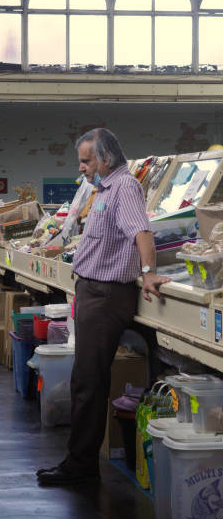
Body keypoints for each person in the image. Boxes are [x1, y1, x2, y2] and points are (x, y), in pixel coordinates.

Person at [37, 128, 171, 486]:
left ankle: (80, 468)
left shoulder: (124, 188)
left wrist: (148, 273)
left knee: (88, 382)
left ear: (105, 158)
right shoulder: (104, 189)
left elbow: (141, 232)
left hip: (107, 294)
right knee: (86, 379)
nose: (81, 167)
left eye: (86, 160)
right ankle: (80, 463)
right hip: (93, 291)